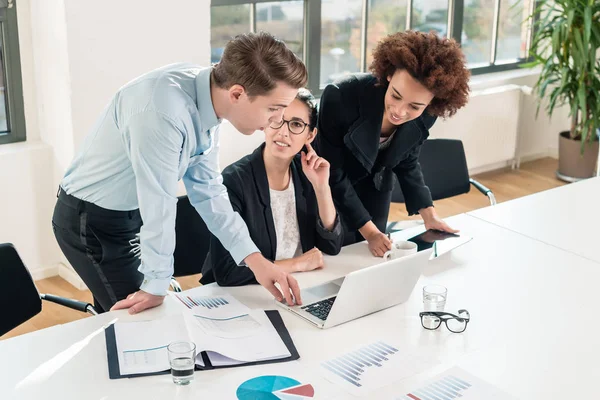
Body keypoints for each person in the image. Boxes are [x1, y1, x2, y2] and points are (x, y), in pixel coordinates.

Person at [51, 32, 307, 314]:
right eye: (274, 109)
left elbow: (208, 191)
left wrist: (256, 260)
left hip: (129, 212)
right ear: (237, 93)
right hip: (90, 221)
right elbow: (158, 201)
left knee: (125, 314)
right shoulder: (163, 111)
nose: (277, 121)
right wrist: (155, 285)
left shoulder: (210, 100)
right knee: (145, 318)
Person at [316, 31, 470, 257]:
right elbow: (333, 173)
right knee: (335, 256)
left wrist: (430, 216)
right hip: (331, 189)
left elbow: (407, 161)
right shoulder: (341, 96)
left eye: (414, 106)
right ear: (388, 74)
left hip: (377, 188)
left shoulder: (428, 113)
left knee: (372, 261)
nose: (400, 111)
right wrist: (370, 231)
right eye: (396, 96)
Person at [201, 89, 343, 286]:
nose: (283, 132)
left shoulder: (307, 173)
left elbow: (332, 246)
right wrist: (296, 264)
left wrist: (321, 188)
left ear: (310, 135)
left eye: (296, 124)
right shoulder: (235, 180)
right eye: (277, 119)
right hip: (244, 294)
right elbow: (228, 271)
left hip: (303, 285)